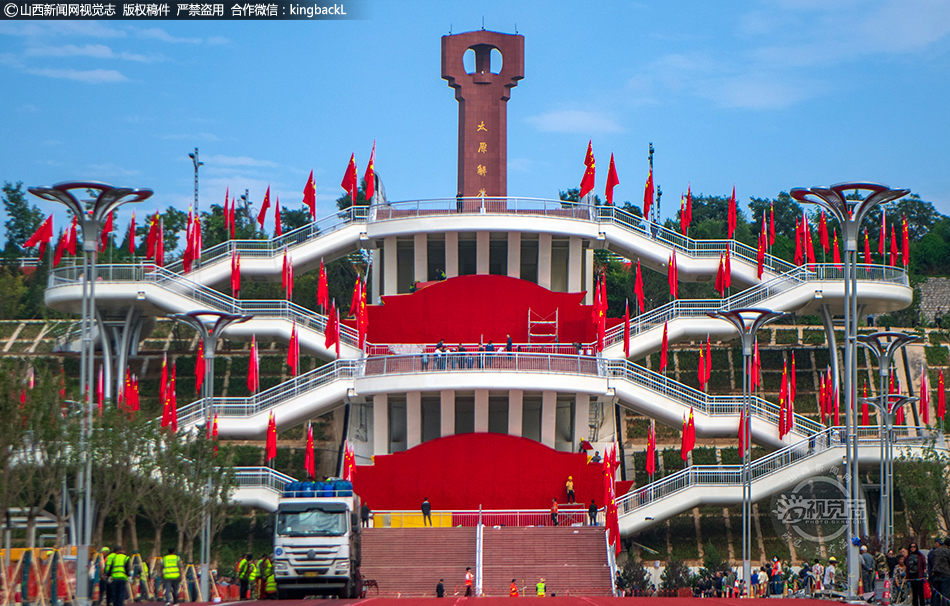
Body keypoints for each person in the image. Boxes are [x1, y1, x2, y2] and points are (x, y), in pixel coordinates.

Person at [932, 538, 950, 606]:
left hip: (936, 575)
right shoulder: (948, 551)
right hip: (945, 575)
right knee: (944, 596)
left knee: (936, 595)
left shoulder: (935, 551)